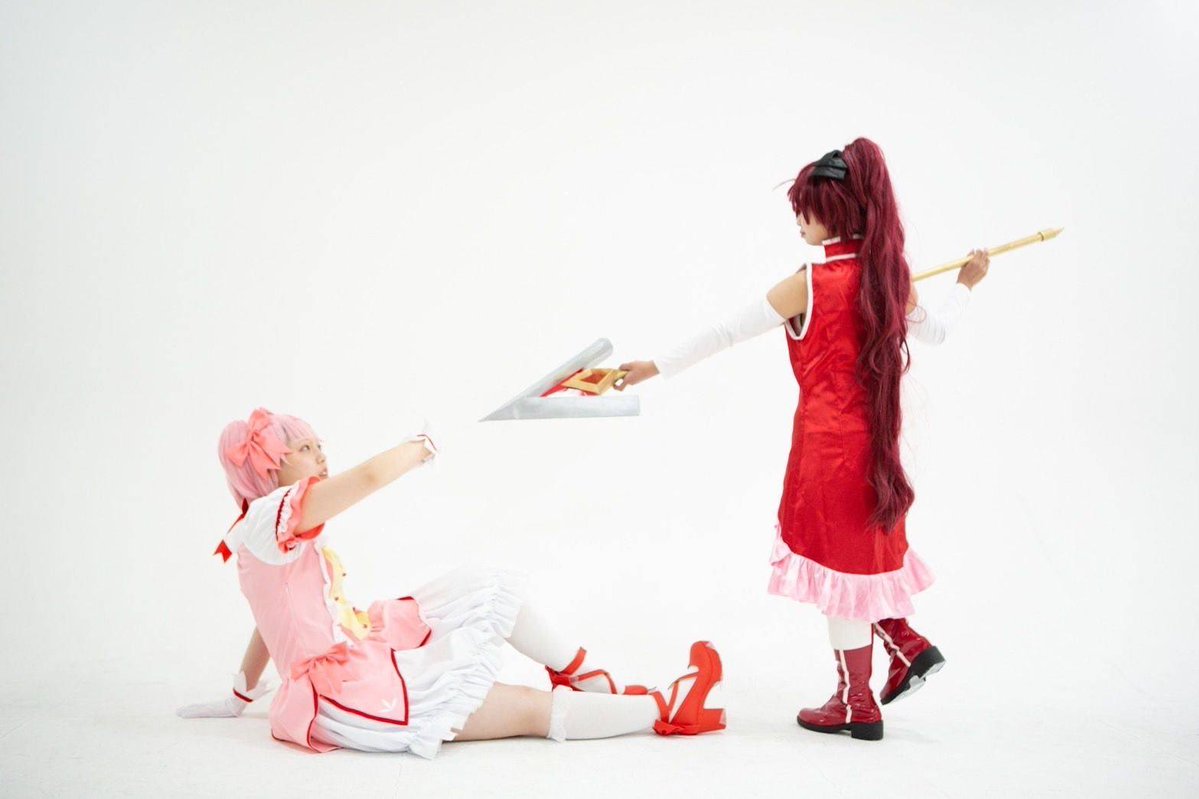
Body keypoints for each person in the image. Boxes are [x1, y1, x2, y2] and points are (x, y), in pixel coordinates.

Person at [617, 139, 989, 740]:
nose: (799, 220)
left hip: (827, 451)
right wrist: (967, 283)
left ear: (834, 212)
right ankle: (894, 656)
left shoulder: (809, 284)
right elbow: (939, 333)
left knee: (844, 578)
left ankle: (859, 702)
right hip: (878, 448)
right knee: (859, 569)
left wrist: (655, 367)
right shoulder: (890, 282)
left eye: (806, 210)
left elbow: (725, 332)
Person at [176, 408, 725, 757]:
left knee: (481, 585)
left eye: (319, 444)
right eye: (303, 449)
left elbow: (269, 621)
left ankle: (589, 680)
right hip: (343, 693)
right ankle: (665, 707)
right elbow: (369, 476)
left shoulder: (261, 529)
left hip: (355, 657)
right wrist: (421, 446)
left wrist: (240, 693)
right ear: (268, 469)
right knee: (518, 709)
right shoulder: (272, 514)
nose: (320, 455)